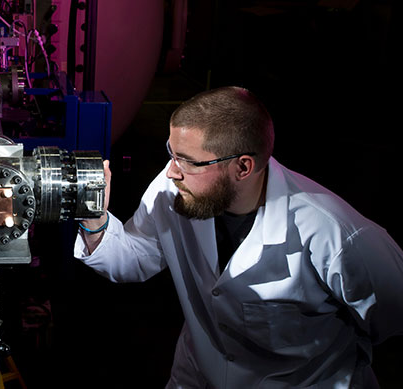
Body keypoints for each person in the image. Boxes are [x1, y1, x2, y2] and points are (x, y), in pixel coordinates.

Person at [75, 86, 403, 388]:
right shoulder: (175, 186)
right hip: (197, 377)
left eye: (188, 161)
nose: (172, 171)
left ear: (242, 167)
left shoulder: (334, 233)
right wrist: (94, 217)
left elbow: (392, 319)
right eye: (171, 153)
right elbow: (134, 257)